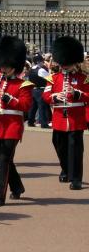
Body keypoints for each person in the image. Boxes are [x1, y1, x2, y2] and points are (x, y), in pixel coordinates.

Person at [0, 36, 32, 206]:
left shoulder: (23, 85)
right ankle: (17, 187)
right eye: (1, 65)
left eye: (6, 66)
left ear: (14, 66)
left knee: (3, 159)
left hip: (12, 126)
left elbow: (25, 106)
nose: (2, 68)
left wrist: (8, 98)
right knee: (7, 160)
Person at [42, 36, 87, 190]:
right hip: (59, 117)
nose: (65, 66)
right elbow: (46, 95)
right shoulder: (53, 78)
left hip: (76, 118)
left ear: (75, 62)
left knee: (75, 148)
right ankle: (66, 169)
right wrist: (55, 97)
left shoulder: (84, 78)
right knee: (59, 145)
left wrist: (77, 94)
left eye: (68, 64)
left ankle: (76, 179)